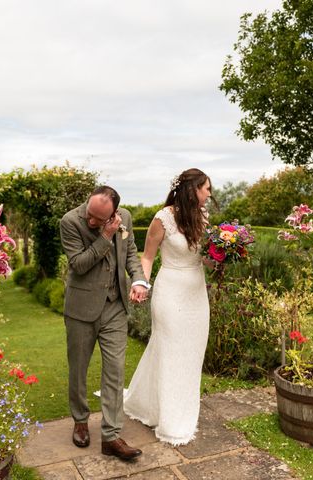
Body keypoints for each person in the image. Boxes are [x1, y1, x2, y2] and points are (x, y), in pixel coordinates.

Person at [60, 185, 150, 460]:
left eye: (99, 219)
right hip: (81, 309)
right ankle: (80, 420)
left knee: (115, 371)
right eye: (90, 214)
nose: (91, 221)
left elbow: (131, 252)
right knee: (78, 369)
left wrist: (138, 280)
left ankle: (111, 436)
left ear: (114, 214)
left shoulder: (126, 217)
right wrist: (105, 235)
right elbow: (79, 264)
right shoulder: (70, 222)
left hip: (114, 306)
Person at [124, 168, 212, 445]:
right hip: (170, 291)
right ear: (193, 189)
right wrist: (141, 283)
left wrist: (223, 256)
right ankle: (173, 421)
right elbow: (147, 257)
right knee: (171, 350)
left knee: (192, 352)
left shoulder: (203, 218)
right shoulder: (163, 218)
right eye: (206, 188)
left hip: (197, 293)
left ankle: (172, 404)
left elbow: (205, 260)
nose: (210, 194)